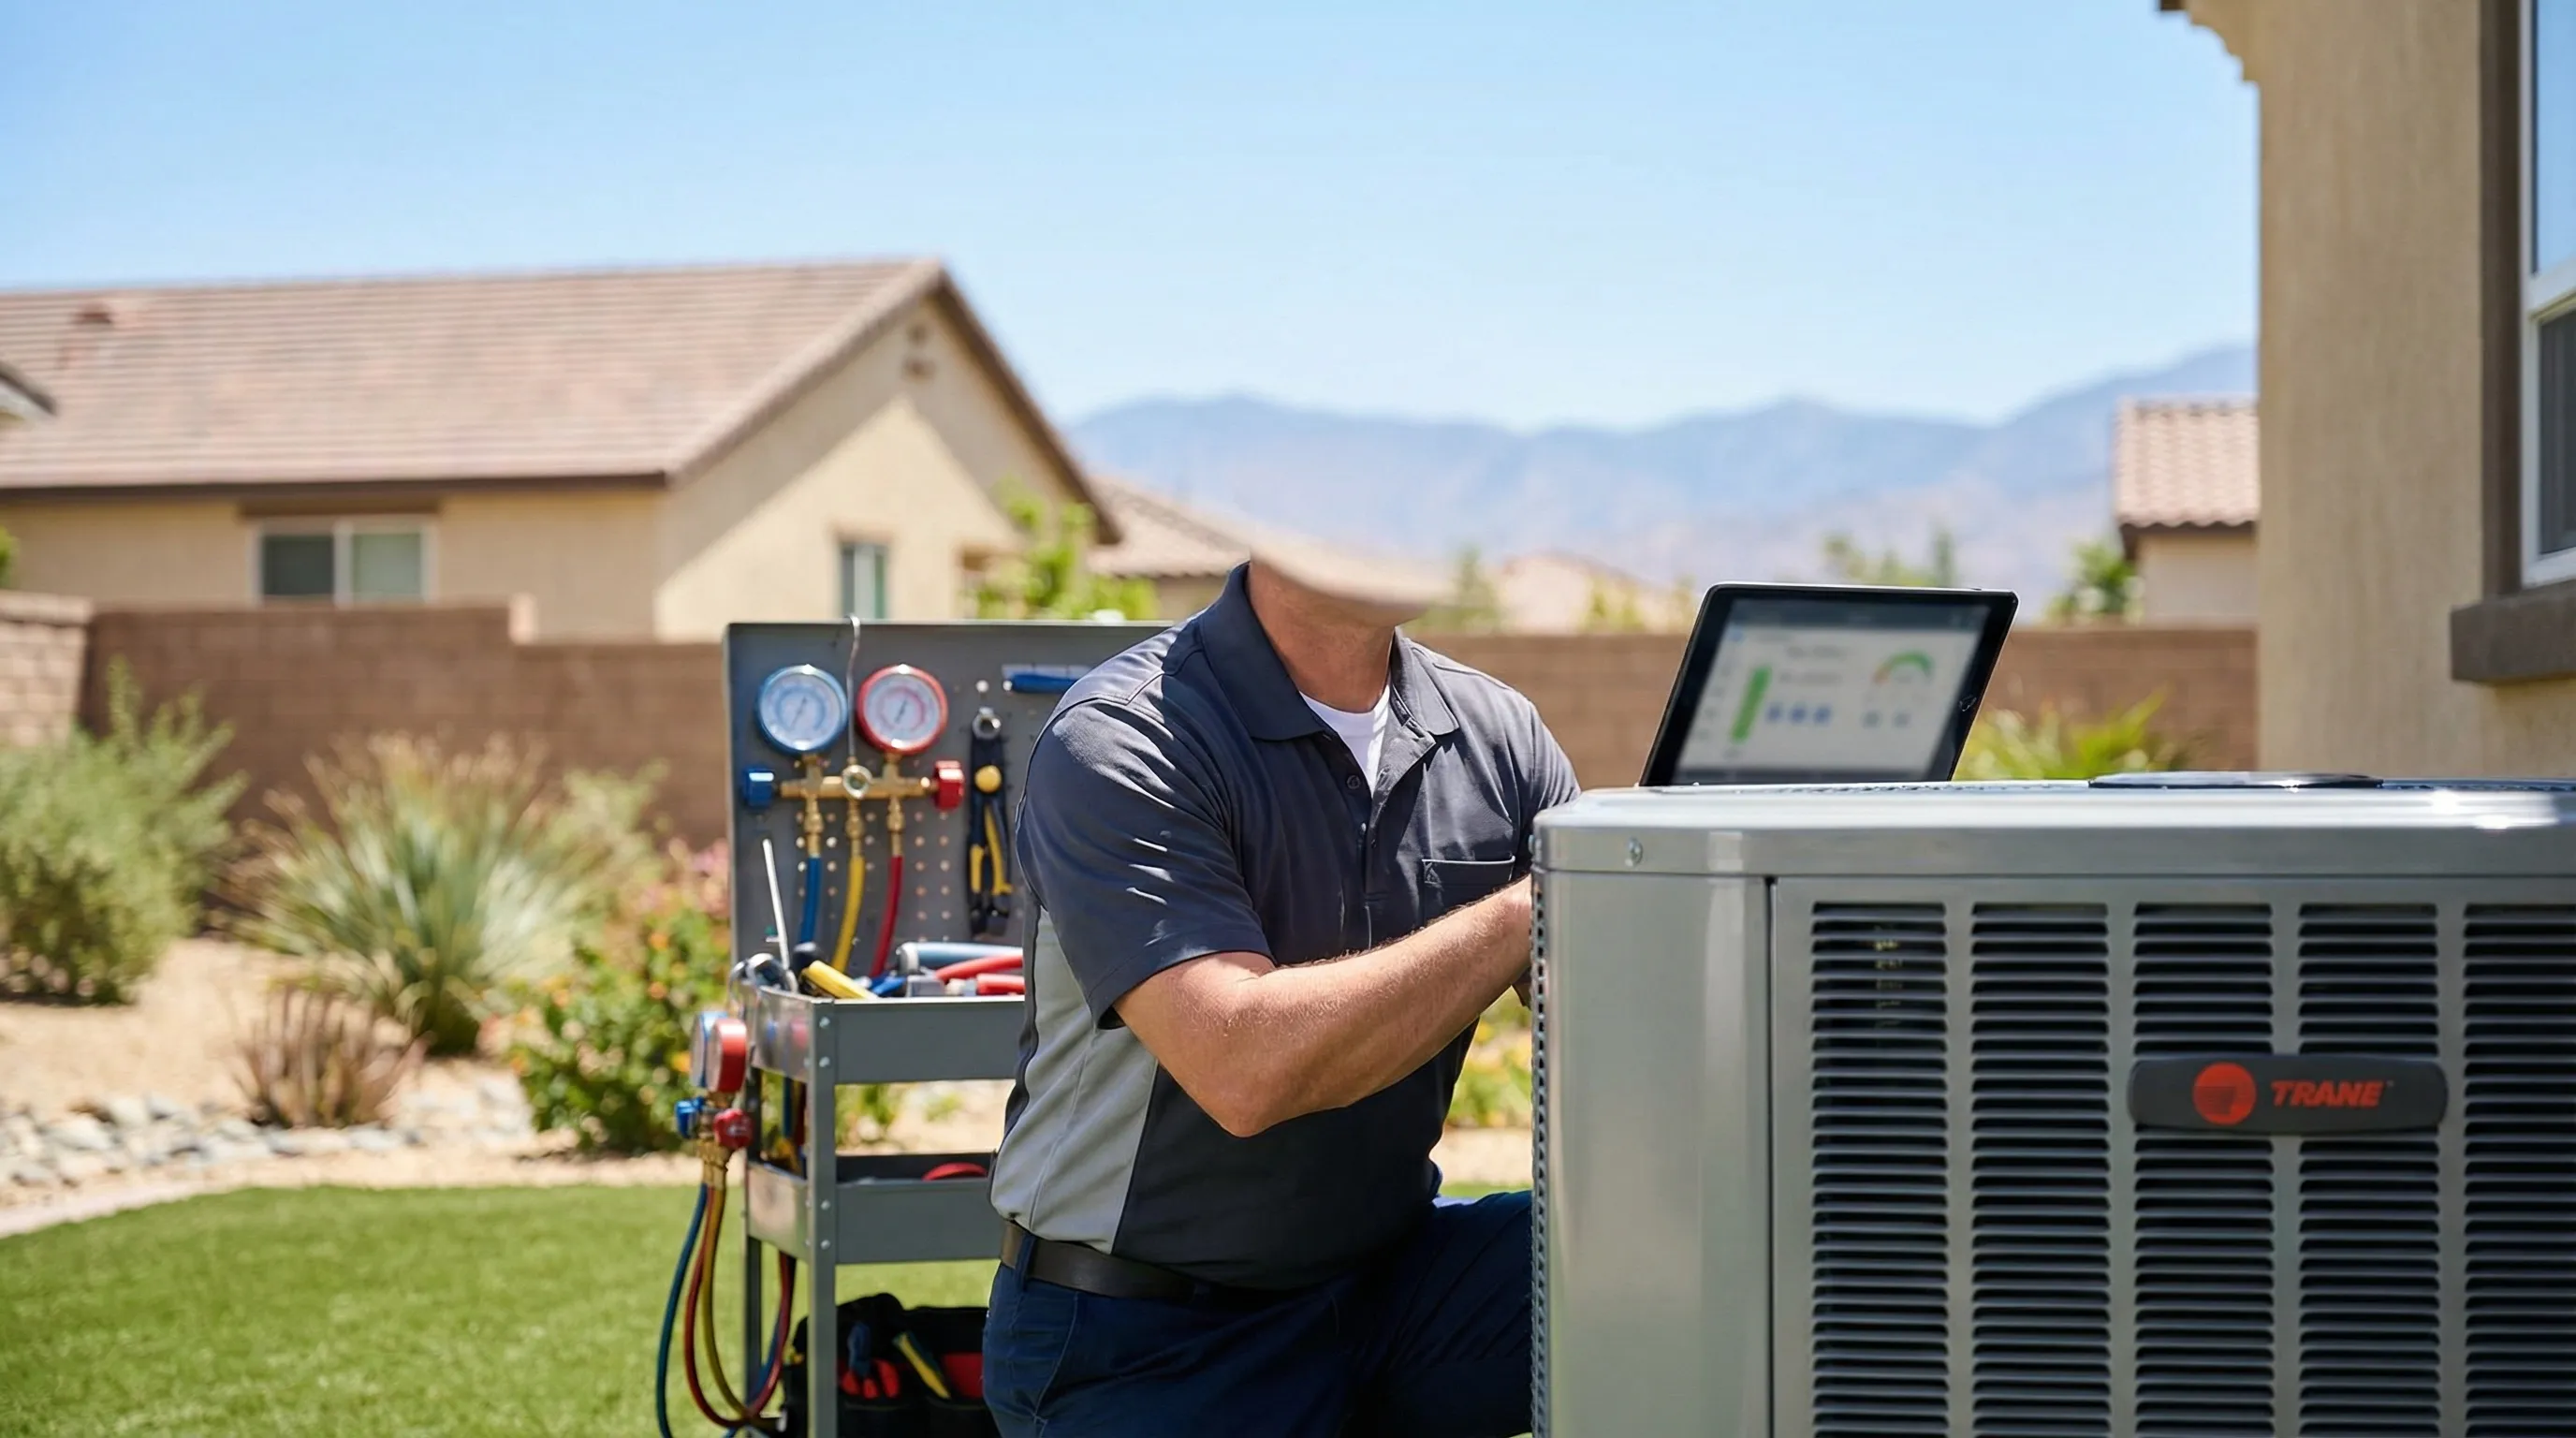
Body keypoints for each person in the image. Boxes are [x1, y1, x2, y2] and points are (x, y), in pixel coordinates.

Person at [981, 556, 1580, 1437]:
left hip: (1393, 1288)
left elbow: (1629, 1011)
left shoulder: (1496, 734)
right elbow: (1242, 1068)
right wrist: (1532, 906)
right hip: (1146, 1333)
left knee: (1706, 1253)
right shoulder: (1125, 735)